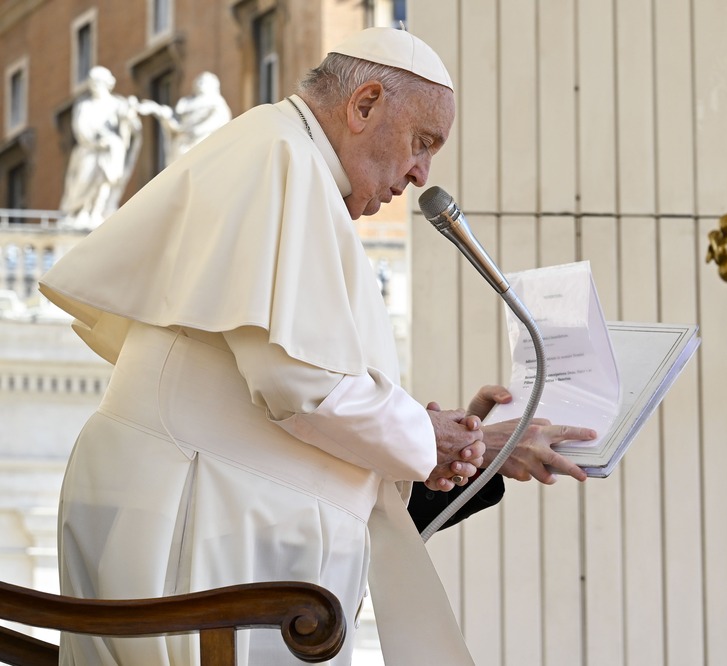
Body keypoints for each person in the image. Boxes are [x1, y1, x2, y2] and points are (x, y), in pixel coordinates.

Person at [40, 28, 593, 665]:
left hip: (194, 508)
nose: (420, 175)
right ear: (364, 105)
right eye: (422, 143)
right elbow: (298, 384)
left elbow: (288, 385)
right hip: (185, 517)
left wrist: (449, 440)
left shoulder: (289, 159)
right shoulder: (280, 156)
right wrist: (423, 434)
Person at [60, 66, 146, 230]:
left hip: (112, 151)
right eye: (93, 82)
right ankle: (81, 211)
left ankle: (98, 212)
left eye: (98, 82)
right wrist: (97, 141)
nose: (95, 86)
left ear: (107, 83)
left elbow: (130, 126)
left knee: (106, 180)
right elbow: (81, 129)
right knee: (83, 182)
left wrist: (129, 116)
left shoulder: (118, 104)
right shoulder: (84, 106)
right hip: (89, 150)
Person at [147, 72, 233, 165]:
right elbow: (176, 121)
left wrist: (197, 130)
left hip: (202, 142)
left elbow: (218, 118)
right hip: (182, 144)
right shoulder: (186, 102)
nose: (200, 83)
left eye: (204, 81)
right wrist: (161, 112)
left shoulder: (216, 102)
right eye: (199, 80)